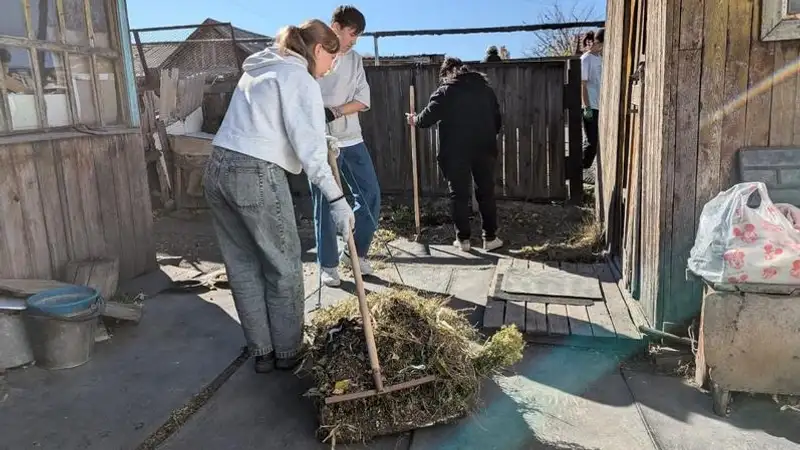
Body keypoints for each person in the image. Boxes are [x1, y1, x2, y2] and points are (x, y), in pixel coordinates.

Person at [204, 20, 354, 374]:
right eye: (332, 58)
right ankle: (288, 353)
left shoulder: (262, 67)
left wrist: (319, 138)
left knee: (243, 266)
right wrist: (337, 201)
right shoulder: (299, 77)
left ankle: (263, 353)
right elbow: (312, 156)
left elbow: (271, 126)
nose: (332, 67)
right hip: (254, 174)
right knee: (283, 266)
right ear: (318, 49)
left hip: (217, 169)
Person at [406, 57, 503, 252]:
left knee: (458, 195)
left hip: (455, 150)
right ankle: (490, 238)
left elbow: (426, 118)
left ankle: (463, 240)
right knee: (486, 192)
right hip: (484, 147)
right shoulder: (486, 91)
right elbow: (497, 120)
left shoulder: (446, 91)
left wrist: (413, 119)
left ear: (446, 73)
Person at [313, 5, 380, 287]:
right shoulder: (313, 53)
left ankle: (356, 253)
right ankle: (327, 265)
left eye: (358, 36)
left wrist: (337, 110)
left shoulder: (354, 60)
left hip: (352, 139)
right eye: (352, 33)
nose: (354, 40)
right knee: (326, 202)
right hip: (322, 141)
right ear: (336, 26)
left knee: (370, 195)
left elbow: (363, 100)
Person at [580, 29, 604, 169]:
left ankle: (582, 168)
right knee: (591, 142)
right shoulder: (586, 59)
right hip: (590, 105)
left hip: (600, 104)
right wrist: (586, 106)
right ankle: (579, 169)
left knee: (595, 141)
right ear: (597, 42)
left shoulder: (599, 58)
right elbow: (582, 84)